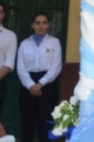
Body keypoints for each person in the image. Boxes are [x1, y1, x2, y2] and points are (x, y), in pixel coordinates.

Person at [16, 12, 62, 142]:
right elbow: (20, 67)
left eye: (44, 23)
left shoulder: (54, 42)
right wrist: (31, 85)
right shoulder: (25, 43)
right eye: (37, 23)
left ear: (48, 25)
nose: (41, 26)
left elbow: (56, 67)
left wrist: (40, 84)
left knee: (46, 122)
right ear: (32, 25)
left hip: (48, 84)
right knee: (27, 121)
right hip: (28, 84)